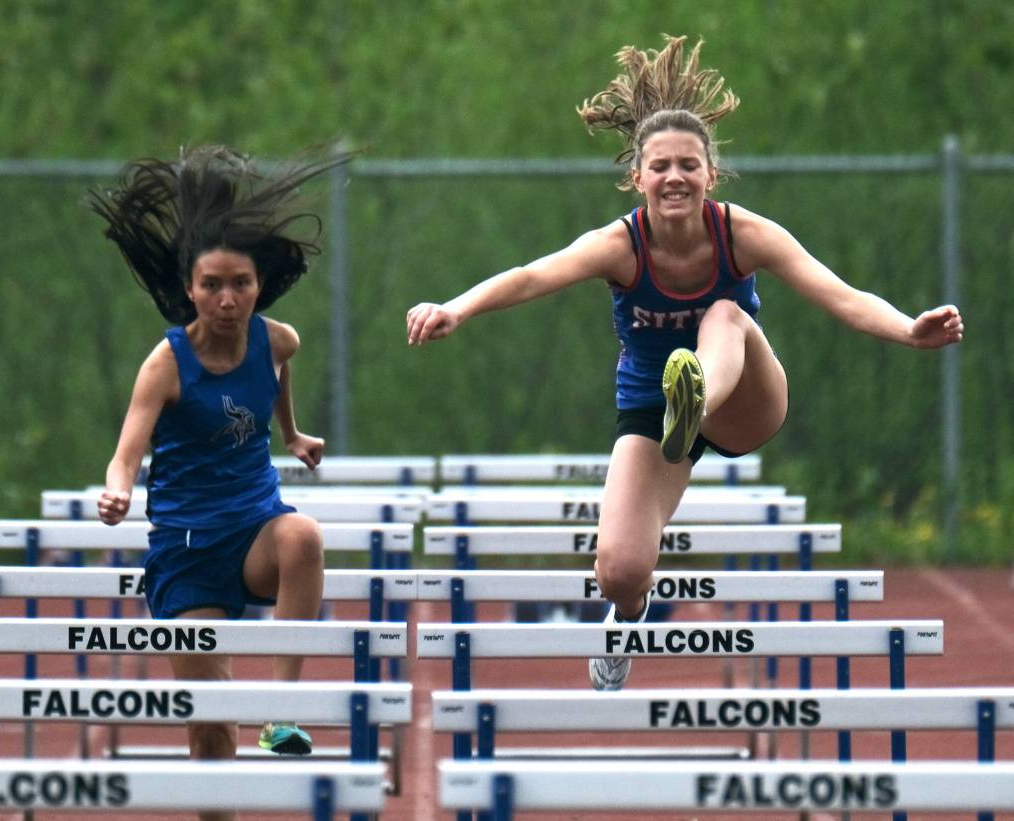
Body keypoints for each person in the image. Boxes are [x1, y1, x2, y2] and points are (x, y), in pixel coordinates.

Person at [405, 35, 964, 691]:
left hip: (745, 395)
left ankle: (695, 391)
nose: (675, 176)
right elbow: (533, 276)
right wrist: (457, 307)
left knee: (722, 315)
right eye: (661, 165)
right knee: (616, 566)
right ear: (636, 177)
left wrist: (908, 329)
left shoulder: (743, 234)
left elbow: (837, 292)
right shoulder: (619, 245)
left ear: (711, 175)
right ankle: (630, 611)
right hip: (651, 409)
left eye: (689, 165)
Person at [87, 145, 343, 818]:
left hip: (254, 529)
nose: (227, 299)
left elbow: (280, 372)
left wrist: (291, 433)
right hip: (188, 554)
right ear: (189, 289)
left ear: (259, 286)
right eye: (212, 286)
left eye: (241, 284)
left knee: (304, 538)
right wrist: (116, 488)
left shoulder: (277, 339)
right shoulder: (165, 365)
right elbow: (126, 452)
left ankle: (281, 711)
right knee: (207, 725)